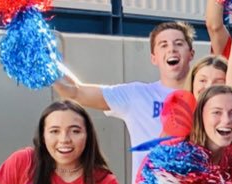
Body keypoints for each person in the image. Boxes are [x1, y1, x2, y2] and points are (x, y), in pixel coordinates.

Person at [54, 21, 194, 171]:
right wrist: (48, 64)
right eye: (163, 45)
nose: (172, 49)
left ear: (191, 53)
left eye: (178, 43)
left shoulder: (207, 97)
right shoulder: (136, 95)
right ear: (154, 58)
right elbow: (75, 91)